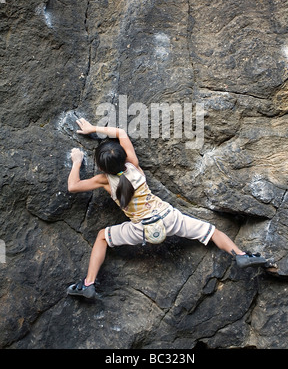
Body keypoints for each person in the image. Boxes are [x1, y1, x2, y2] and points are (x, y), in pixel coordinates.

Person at [67, 118, 268, 299]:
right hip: (169, 218)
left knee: (102, 236)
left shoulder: (103, 180)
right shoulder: (134, 166)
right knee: (211, 231)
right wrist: (94, 128)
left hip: (141, 230)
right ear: (123, 158)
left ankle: (88, 284)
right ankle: (240, 255)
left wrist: (76, 161)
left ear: (102, 168)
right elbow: (121, 133)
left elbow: (73, 186)